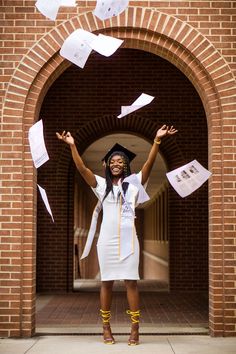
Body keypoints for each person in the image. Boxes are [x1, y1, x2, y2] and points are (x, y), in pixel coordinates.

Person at [56, 125, 177, 345]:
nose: (116, 164)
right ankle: (106, 329)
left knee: (131, 282)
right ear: (107, 165)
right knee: (107, 283)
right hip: (107, 241)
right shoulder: (101, 186)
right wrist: (73, 146)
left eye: (120, 161)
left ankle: (135, 329)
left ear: (126, 166)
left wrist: (157, 141)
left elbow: (149, 165)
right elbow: (83, 170)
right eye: (112, 161)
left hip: (130, 241)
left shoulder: (133, 185)